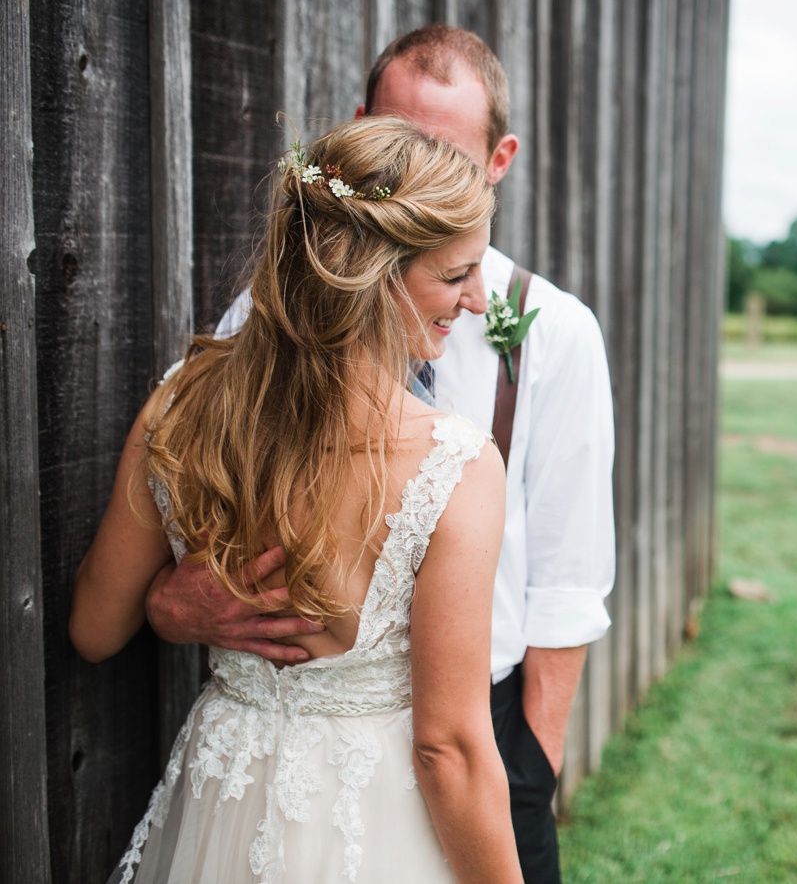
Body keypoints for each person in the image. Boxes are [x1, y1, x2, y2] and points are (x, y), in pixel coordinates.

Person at [144, 25, 616, 883]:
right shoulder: (261, 324)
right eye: (391, 136)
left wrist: (529, 767)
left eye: (443, 152)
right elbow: (199, 497)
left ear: (498, 159)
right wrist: (170, 610)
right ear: (357, 131)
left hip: (487, 735)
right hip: (301, 744)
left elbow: (568, 583)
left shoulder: (555, 332)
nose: (408, 172)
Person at [70, 117, 523, 884]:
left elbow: (91, 629)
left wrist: (161, 602)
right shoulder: (456, 467)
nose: (479, 300)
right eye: (455, 277)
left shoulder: (179, 407)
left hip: (221, 798)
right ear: (375, 280)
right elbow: (448, 748)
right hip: (371, 827)